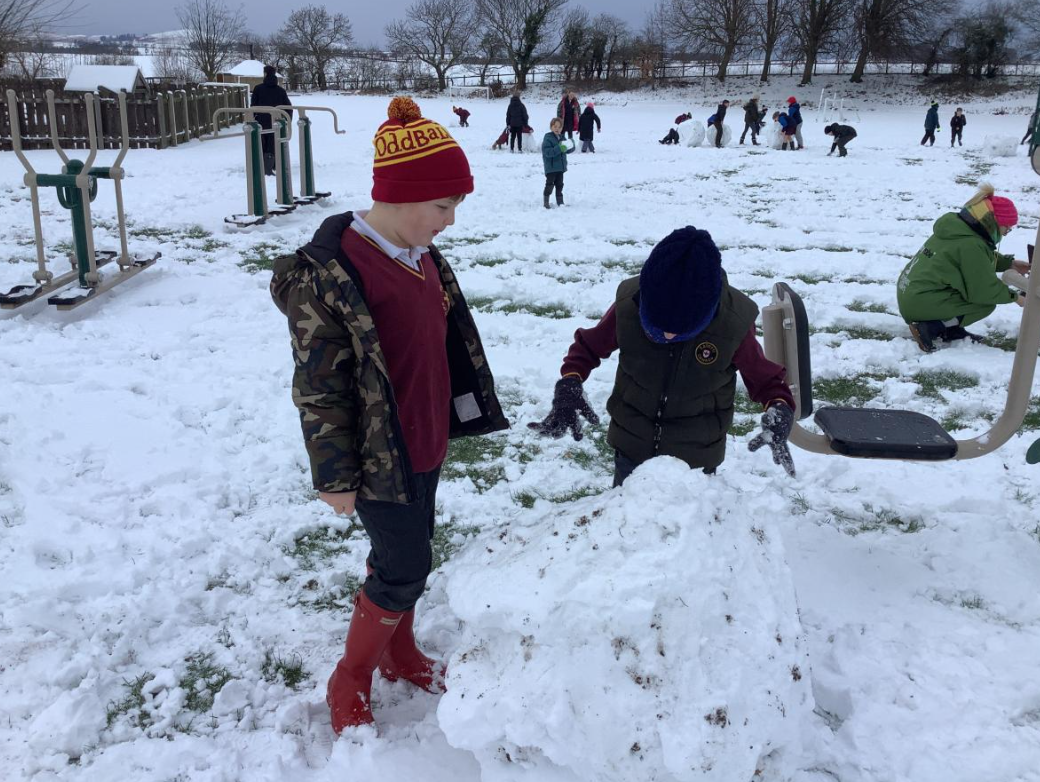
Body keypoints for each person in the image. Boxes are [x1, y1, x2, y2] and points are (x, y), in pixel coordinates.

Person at [270, 96, 509, 733]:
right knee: (403, 566)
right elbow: (320, 387)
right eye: (444, 206)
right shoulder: (336, 275)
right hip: (376, 459)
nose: (451, 221)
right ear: (402, 197)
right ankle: (351, 675)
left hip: (423, 443)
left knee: (410, 557)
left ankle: (398, 654)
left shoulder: (421, 256)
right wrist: (336, 475)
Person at [528, 226, 797, 483]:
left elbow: (765, 380)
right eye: (657, 327)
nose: (668, 336)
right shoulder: (628, 304)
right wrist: (570, 382)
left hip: (697, 457)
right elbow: (587, 347)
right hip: (631, 446)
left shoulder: (733, 322)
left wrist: (779, 408)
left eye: (680, 331)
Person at [896, 185, 1031, 352]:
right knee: (984, 303)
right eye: (1007, 227)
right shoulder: (970, 244)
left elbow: (975, 261)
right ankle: (931, 327)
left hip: (913, 293)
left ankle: (949, 329)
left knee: (972, 293)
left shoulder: (959, 229)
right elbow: (984, 290)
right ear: (994, 223)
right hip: (920, 302)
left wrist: (1009, 264)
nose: (1006, 233)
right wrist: (1016, 297)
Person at [251, 65, 292, 176]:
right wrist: (288, 120)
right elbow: (288, 106)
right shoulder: (281, 91)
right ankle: (272, 164)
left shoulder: (258, 89)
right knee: (273, 143)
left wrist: (254, 117)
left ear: (265, 74)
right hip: (277, 120)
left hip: (261, 120)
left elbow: (253, 106)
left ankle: (263, 166)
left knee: (261, 142)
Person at [542, 117, 575, 208]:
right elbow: (548, 152)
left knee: (560, 185)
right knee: (550, 184)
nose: (557, 129)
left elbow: (567, 150)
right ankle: (546, 202)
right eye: (555, 126)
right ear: (551, 127)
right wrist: (559, 148)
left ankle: (560, 202)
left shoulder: (562, 137)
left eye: (559, 127)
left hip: (560, 167)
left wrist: (571, 145)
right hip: (551, 167)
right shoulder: (547, 138)